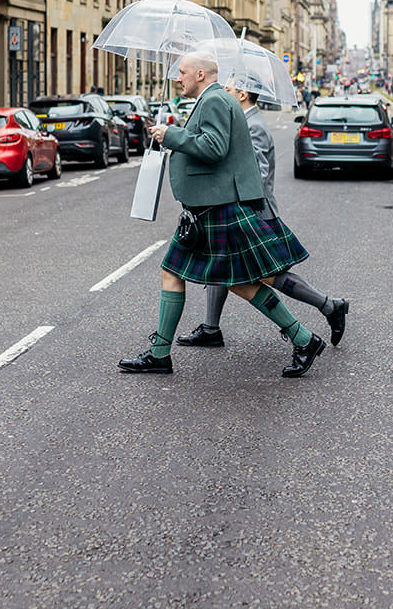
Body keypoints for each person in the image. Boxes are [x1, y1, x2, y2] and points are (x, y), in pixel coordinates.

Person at [119, 50, 324, 378]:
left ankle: (160, 354)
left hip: (217, 208)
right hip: (215, 206)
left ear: (201, 74)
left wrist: (170, 135)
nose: (178, 77)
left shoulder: (215, 100)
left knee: (179, 273)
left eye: (183, 72)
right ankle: (303, 339)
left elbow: (214, 147)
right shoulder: (218, 100)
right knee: (238, 283)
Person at [175, 84, 349, 350]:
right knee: (219, 266)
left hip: (253, 213)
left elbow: (258, 174)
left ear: (242, 95)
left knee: (272, 277)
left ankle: (329, 306)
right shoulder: (240, 122)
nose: (223, 93)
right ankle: (211, 328)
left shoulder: (252, 125)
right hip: (236, 211)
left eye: (230, 89)